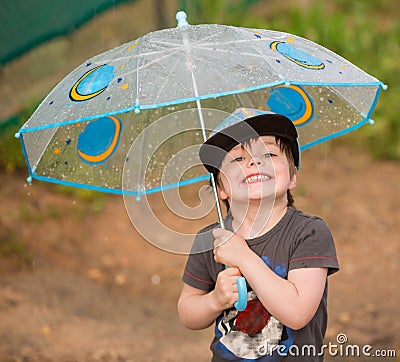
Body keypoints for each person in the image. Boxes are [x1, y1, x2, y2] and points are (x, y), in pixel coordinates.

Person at [177, 108, 339, 361]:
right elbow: (188, 312)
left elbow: (297, 313)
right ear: (220, 188)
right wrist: (215, 300)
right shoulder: (211, 240)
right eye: (238, 159)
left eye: (268, 153)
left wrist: (244, 257)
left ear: (292, 176)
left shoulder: (309, 232)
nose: (254, 162)